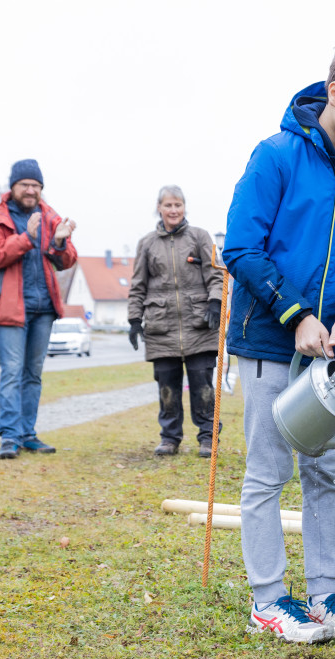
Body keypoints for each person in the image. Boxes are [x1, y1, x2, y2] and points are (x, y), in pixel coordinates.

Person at [223, 39, 335, 645]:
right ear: (334, 92)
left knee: (325, 469)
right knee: (268, 471)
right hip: (270, 339)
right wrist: (295, 314)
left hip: (332, 350)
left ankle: (323, 592)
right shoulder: (274, 156)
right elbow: (241, 247)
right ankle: (269, 601)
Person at [0, 158, 78, 460]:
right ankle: (9, 437)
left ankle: (27, 433)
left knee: (33, 374)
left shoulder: (50, 216)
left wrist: (60, 242)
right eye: (25, 185)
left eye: (36, 186)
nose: (31, 190)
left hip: (44, 308)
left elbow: (67, 260)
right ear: (13, 187)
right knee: (11, 372)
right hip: (10, 308)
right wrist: (25, 238)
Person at [128, 185, 223, 457]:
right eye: (168, 205)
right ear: (159, 208)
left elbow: (216, 274)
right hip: (161, 327)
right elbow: (138, 285)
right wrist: (134, 319)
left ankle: (208, 438)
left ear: (184, 208)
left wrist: (215, 302)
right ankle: (169, 438)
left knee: (203, 386)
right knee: (167, 387)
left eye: (178, 205)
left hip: (199, 325)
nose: (173, 210)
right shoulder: (146, 244)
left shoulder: (200, 237)